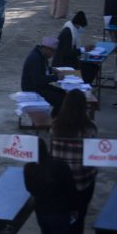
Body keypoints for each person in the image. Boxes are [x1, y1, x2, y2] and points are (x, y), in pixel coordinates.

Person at [50, 90, 98, 234]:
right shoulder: (89, 128)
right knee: (79, 218)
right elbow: (93, 156)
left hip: (59, 181)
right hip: (81, 182)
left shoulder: (55, 126)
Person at [23, 138, 78, 234]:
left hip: (41, 212)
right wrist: (74, 208)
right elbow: (71, 190)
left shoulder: (28, 168)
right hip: (60, 212)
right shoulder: (61, 165)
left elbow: (30, 189)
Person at [21, 37, 66, 116]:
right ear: (46, 49)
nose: (53, 55)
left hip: (39, 86)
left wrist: (52, 69)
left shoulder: (41, 55)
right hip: (32, 88)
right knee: (61, 100)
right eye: (53, 52)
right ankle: (55, 120)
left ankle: (54, 119)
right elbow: (39, 80)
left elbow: (42, 69)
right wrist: (56, 78)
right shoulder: (36, 58)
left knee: (64, 94)